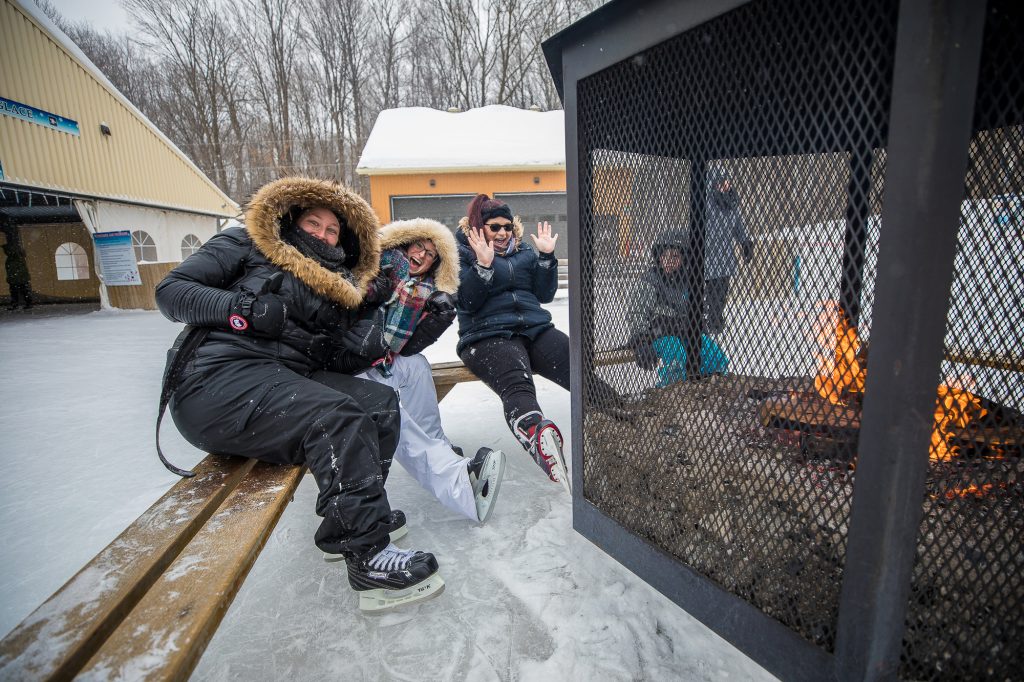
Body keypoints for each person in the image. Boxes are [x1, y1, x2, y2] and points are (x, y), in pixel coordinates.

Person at [154, 177, 443, 612]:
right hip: (214, 381)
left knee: (380, 405)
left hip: (280, 379)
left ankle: (347, 522)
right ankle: (367, 555)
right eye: (314, 223)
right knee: (335, 415)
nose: (323, 235)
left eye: (333, 231)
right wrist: (241, 311)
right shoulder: (249, 244)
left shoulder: (336, 286)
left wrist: (372, 314)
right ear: (291, 220)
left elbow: (341, 361)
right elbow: (171, 292)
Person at [454, 194, 629, 494]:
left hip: (534, 328)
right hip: (487, 336)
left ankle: (624, 417)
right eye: (494, 227)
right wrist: (483, 267)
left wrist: (546, 258)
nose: (502, 233)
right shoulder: (461, 256)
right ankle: (536, 433)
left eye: (507, 227)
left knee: (577, 367)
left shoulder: (522, 253)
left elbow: (544, 294)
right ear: (478, 228)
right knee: (518, 383)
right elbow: (467, 302)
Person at [348, 217, 505, 526]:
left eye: (431, 253)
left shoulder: (423, 290)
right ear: (405, 244)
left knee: (416, 366)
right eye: (418, 245)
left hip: (380, 359)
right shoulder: (372, 266)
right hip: (349, 366)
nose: (420, 254)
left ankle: (438, 445)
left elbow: (403, 347)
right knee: (393, 415)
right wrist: (369, 295)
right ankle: (458, 482)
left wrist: (438, 319)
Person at [628, 230, 729, 387]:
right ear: (658, 257)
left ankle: (704, 387)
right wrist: (641, 342)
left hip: (684, 332)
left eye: (675, 256)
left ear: (684, 259)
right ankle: (669, 391)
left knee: (713, 354)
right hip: (657, 335)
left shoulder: (688, 281)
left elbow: (695, 311)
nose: (668, 260)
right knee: (675, 352)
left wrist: (700, 330)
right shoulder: (651, 280)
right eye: (664, 255)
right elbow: (637, 312)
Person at [704, 170, 752, 334]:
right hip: (707, 257)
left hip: (725, 258)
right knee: (710, 294)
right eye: (721, 183)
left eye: (726, 182)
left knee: (722, 294)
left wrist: (745, 242)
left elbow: (738, 226)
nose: (725, 186)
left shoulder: (732, 204)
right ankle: (710, 322)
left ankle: (716, 322)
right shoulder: (707, 203)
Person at [2, 230, 33, 310]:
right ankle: (22, 304)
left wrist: (12, 277)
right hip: (18, 278)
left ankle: (23, 304)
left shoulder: (15, 257)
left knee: (20, 291)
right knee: (20, 291)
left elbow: (14, 269)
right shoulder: (14, 257)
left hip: (18, 278)